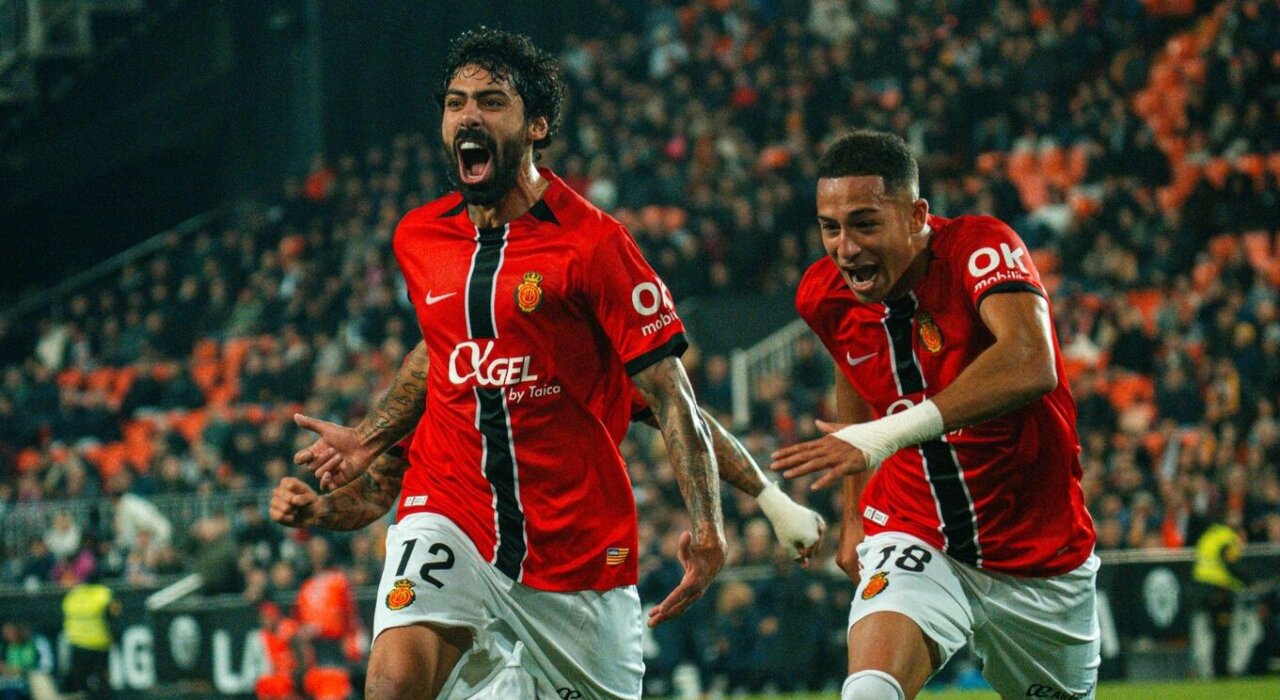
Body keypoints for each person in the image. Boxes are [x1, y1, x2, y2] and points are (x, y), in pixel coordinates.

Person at [281, 27, 728, 699]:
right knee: (392, 683)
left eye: (491, 101)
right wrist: (369, 438)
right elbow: (440, 349)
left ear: (536, 125)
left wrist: (710, 525)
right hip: (451, 512)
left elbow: (671, 396)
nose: (469, 115)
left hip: (574, 549)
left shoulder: (594, 244)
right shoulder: (419, 237)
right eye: (455, 102)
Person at [770, 130, 1098, 700]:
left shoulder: (979, 247)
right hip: (914, 529)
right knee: (869, 693)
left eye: (865, 224)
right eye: (830, 227)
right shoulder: (823, 295)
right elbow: (855, 373)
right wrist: (855, 515)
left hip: (1036, 547)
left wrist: (887, 432)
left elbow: (1030, 360)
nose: (845, 248)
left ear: (916, 215)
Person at [1192, 513, 1251, 678]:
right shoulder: (1228, 537)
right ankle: (1221, 671)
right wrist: (1248, 581)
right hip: (1219, 589)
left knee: (1211, 632)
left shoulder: (1211, 534)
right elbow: (1229, 563)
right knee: (1222, 632)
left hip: (1201, 588)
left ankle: (1212, 670)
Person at [61, 569, 120, 699]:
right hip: (98, 643)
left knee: (80, 679)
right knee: (102, 679)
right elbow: (115, 613)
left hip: (76, 643)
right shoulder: (104, 593)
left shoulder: (73, 594)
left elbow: (65, 611)